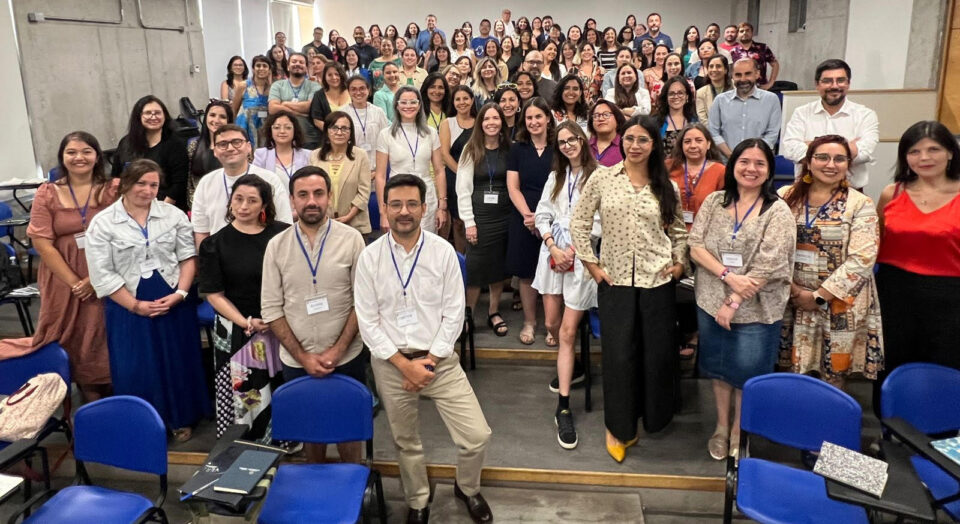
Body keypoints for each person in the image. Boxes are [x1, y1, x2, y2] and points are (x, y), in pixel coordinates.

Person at [355, 173, 492, 524]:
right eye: (396, 204)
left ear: (424, 208)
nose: (404, 211)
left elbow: (454, 313)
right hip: (391, 363)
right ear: (384, 209)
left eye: (412, 204)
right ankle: (418, 500)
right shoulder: (370, 258)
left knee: (476, 436)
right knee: (406, 441)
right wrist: (405, 365)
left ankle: (467, 487)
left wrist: (428, 362)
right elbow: (368, 322)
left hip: (440, 359)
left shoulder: (443, 251)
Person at [570, 114, 687, 463]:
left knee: (656, 355)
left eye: (643, 140)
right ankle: (619, 427)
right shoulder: (603, 179)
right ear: (622, 141)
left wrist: (680, 263)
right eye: (630, 139)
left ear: (654, 145)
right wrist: (592, 265)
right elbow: (578, 223)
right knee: (619, 357)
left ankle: (653, 418)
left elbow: (679, 231)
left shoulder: (667, 186)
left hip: (658, 281)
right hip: (615, 281)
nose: (635, 146)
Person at [86, 159, 210, 442]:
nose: (148, 190)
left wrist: (180, 294)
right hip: (127, 303)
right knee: (136, 364)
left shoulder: (173, 215)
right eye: (141, 183)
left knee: (178, 359)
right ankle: (141, 423)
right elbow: (102, 274)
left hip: (173, 298)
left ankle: (181, 418)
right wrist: (134, 305)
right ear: (125, 184)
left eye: (154, 184)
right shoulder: (103, 224)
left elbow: (188, 257)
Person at [688, 139, 795, 460]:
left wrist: (733, 300)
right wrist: (727, 276)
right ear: (733, 165)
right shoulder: (714, 202)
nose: (751, 169)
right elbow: (695, 245)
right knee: (719, 369)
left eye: (760, 163)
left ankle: (739, 431)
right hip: (710, 300)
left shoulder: (777, 211)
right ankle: (721, 426)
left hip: (757, 308)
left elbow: (770, 264)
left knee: (746, 373)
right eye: (744, 161)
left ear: (769, 171)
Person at [261, 166, 367, 463]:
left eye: (318, 193)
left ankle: (353, 491)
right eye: (303, 195)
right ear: (292, 201)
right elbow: (271, 309)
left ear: (329, 197)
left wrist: (338, 349)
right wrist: (304, 357)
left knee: (349, 431)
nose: (311, 201)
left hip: (347, 357)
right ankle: (317, 489)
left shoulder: (352, 239)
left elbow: (363, 302)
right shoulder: (276, 246)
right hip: (297, 360)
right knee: (312, 433)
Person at [0, 132, 118, 401]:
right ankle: (89, 397)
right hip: (64, 278)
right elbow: (42, 242)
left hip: (107, 273)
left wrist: (96, 279)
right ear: (63, 158)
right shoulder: (48, 193)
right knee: (73, 335)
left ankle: (115, 394)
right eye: (72, 152)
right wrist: (77, 282)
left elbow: (124, 235)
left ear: (97, 156)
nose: (79, 157)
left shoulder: (112, 189)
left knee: (104, 334)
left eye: (87, 151)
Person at [777, 135, 883, 389]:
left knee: (833, 374)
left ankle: (828, 425)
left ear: (848, 165)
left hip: (840, 302)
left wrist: (818, 296)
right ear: (809, 161)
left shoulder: (860, 203)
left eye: (839, 159)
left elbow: (862, 259)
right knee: (791, 370)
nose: (830, 164)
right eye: (822, 157)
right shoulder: (785, 196)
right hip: (792, 298)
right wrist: (796, 292)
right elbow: (772, 247)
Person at [874, 120, 960, 404]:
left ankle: (939, 438)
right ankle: (889, 433)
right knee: (893, 360)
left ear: (950, 153)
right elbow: (876, 241)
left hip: (950, 296)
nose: (924, 158)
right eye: (914, 151)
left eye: (933, 149)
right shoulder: (892, 193)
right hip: (893, 291)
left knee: (943, 364)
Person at [198, 174, 288, 439]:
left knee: (282, 383)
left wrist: (276, 318)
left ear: (264, 205)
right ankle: (250, 442)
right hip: (238, 327)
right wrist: (245, 321)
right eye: (238, 199)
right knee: (247, 391)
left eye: (252, 200)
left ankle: (286, 437)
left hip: (281, 324)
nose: (244, 206)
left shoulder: (282, 234)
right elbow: (214, 294)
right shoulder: (214, 243)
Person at [534, 121, 601, 449]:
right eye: (561, 141)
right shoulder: (555, 177)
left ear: (582, 140)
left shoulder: (599, 175)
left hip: (582, 257)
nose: (568, 145)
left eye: (573, 139)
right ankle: (573, 365)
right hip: (552, 253)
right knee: (550, 324)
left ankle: (563, 406)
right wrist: (553, 246)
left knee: (567, 333)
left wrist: (573, 251)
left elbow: (601, 220)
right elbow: (542, 214)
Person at [456, 103, 512, 337]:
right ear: (480, 123)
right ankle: (468, 313)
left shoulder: (510, 149)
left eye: (495, 118)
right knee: (476, 266)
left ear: (501, 122)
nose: (491, 122)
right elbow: (462, 188)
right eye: (486, 118)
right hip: (479, 218)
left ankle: (493, 311)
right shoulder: (471, 149)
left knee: (498, 266)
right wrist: (469, 221)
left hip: (504, 217)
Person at [782, 59, 879, 191]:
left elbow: (865, 152)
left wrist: (813, 147)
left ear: (848, 83)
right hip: (807, 191)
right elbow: (790, 149)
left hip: (851, 191)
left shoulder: (865, 115)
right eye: (827, 81)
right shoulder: (801, 113)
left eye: (840, 80)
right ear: (817, 84)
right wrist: (846, 148)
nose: (834, 86)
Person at [192, 124, 293, 245]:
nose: (230, 148)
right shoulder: (206, 183)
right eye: (223, 144)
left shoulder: (270, 179)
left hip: (263, 253)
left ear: (249, 147)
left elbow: (285, 225)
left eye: (237, 142)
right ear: (215, 151)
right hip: (219, 256)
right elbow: (201, 230)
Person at [507, 97, 555, 345]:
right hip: (524, 217)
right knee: (526, 273)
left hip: (554, 218)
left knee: (553, 271)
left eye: (538, 116)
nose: (534, 122)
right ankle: (529, 321)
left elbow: (563, 185)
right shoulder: (517, 149)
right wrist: (529, 216)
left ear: (548, 118)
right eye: (529, 118)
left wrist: (544, 218)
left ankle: (551, 325)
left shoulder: (560, 147)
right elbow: (513, 187)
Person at [374, 87, 448, 234]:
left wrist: (442, 205)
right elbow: (380, 176)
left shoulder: (431, 133)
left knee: (426, 242)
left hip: (426, 196)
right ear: (396, 105)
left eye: (413, 102)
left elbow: (439, 171)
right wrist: (383, 212)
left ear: (419, 105)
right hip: (396, 195)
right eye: (404, 102)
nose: (408, 106)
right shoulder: (386, 134)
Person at [111, 95, 189, 211]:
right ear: (139, 116)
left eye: (157, 113)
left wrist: (160, 210)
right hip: (130, 208)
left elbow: (179, 184)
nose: (153, 117)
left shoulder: (175, 144)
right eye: (148, 113)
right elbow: (117, 176)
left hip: (165, 208)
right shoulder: (126, 143)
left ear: (165, 116)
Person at [310, 111, 372, 236]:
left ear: (350, 133)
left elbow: (364, 191)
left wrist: (349, 216)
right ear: (327, 131)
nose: (339, 132)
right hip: (323, 224)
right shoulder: (315, 156)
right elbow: (313, 190)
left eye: (344, 128)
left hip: (355, 225)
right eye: (334, 128)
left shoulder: (360, 155)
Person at [708, 58, 781, 157]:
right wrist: (732, 156)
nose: (743, 79)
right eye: (738, 75)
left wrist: (750, 157)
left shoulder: (771, 100)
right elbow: (714, 133)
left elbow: (772, 134)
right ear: (732, 76)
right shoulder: (720, 100)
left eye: (748, 74)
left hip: (758, 162)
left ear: (757, 74)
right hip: (726, 163)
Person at [667, 123, 726, 230]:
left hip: (705, 235)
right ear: (681, 146)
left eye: (699, 141)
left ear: (708, 144)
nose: (693, 145)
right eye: (687, 142)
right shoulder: (668, 167)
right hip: (670, 233)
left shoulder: (720, 171)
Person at [440, 85, 476, 252]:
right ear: (453, 102)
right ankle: (460, 258)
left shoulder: (480, 122)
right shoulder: (448, 123)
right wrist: (463, 176)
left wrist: (473, 177)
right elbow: (445, 155)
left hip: (477, 177)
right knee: (458, 221)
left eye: (465, 98)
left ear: (472, 100)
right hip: (454, 177)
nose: (462, 102)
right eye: (458, 99)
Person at [268, 52, 323, 149]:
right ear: (288, 67)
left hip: (309, 139)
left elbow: (309, 107)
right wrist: (299, 113)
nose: (297, 64)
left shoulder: (314, 86)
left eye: (301, 62)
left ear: (306, 68)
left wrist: (284, 103)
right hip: (282, 138)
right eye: (294, 62)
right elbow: (272, 108)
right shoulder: (277, 85)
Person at [186, 100, 232, 208]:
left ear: (229, 121)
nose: (216, 120)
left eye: (222, 117)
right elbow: (190, 183)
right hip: (201, 206)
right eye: (212, 115)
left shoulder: (237, 146)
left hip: (230, 206)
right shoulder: (194, 145)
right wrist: (196, 206)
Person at [345, 76, 389, 186]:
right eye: (353, 89)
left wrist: (378, 171)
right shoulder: (343, 113)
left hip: (377, 170)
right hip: (351, 172)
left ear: (368, 91)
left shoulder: (378, 112)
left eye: (362, 88)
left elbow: (386, 143)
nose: (358, 92)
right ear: (348, 92)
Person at [252, 111, 312, 179]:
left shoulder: (308, 155)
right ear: (270, 131)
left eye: (288, 128)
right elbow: (255, 181)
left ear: (295, 130)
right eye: (277, 128)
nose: (282, 131)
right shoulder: (261, 154)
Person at [231, 55, 272, 151]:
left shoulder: (272, 88)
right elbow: (234, 109)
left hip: (263, 128)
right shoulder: (243, 85)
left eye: (264, 66)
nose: (261, 68)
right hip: (245, 127)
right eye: (258, 65)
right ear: (253, 69)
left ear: (269, 70)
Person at [657, 76, 698, 156]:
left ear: (687, 96)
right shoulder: (656, 123)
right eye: (671, 94)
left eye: (680, 93)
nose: (676, 97)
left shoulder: (695, 122)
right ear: (666, 97)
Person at [730, 23, 778, 90]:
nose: (744, 33)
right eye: (741, 31)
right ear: (737, 35)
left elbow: (775, 64)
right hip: (740, 88)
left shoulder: (763, 48)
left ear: (752, 33)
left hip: (761, 88)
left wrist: (770, 83)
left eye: (747, 30)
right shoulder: (733, 52)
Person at [695, 55, 732, 126]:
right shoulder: (700, 93)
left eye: (718, 66)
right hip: (712, 134)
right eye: (711, 66)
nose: (714, 69)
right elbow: (703, 120)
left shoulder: (736, 88)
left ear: (725, 70)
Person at [588, 100, 626, 167]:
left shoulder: (625, 145)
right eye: (596, 116)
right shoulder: (585, 146)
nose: (601, 119)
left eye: (606, 115)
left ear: (617, 119)